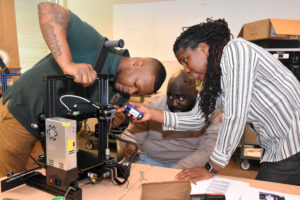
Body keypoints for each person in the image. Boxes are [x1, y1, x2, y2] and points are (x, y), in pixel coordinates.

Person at [0, 2, 166, 177]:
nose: (131, 92)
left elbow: (93, 115)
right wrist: (68, 64)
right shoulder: (94, 45)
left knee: (53, 177)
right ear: (137, 63)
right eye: (136, 85)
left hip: (59, 129)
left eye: (137, 93)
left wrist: (110, 121)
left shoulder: (120, 94)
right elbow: (48, 8)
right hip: (24, 110)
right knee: (10, 177)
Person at [126, 19, 300, 185]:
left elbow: (234, 115)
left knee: (266, 191)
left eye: (186, 60)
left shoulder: (235, 50)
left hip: (292, 141)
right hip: (277, 145)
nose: (186, 70)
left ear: (202, 48)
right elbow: (198, 119)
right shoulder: (218, 78)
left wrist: (212, 167)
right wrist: (152, 114)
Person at [120, 71, 221, 169]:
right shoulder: (153, 104)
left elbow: (206, 151)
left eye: (181, 99)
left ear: (195, 94)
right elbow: (131, 134)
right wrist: (129, 144)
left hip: (185, 165)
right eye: (170, 96)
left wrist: (176, 171)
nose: (174, 103)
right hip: (146, 160)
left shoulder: (210, 113)